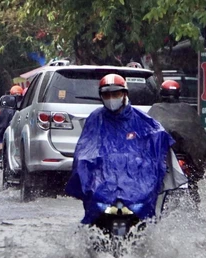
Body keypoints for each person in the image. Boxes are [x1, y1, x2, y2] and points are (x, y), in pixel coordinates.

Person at [65, 74, 185, 224]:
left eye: (115, 94)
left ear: (124, 94)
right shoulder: (95, 119)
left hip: (137, 186)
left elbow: (157, 144)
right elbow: (84, 151)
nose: (111, 98)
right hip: (104, 185)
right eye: (107, 95)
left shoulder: (143, 121)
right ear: (101, 96)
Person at [147, 80, 206, 205]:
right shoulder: (188, 109)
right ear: (178, 93)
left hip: (178, 155)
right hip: (183, 154)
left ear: (161, 93)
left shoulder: (155, 109)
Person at [0, 85, 21, 162]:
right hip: (11, 125)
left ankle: (2, 156)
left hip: (4, 125)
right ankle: (3, 156)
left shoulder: (4, 101)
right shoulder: (19, 105)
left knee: (0, 137)